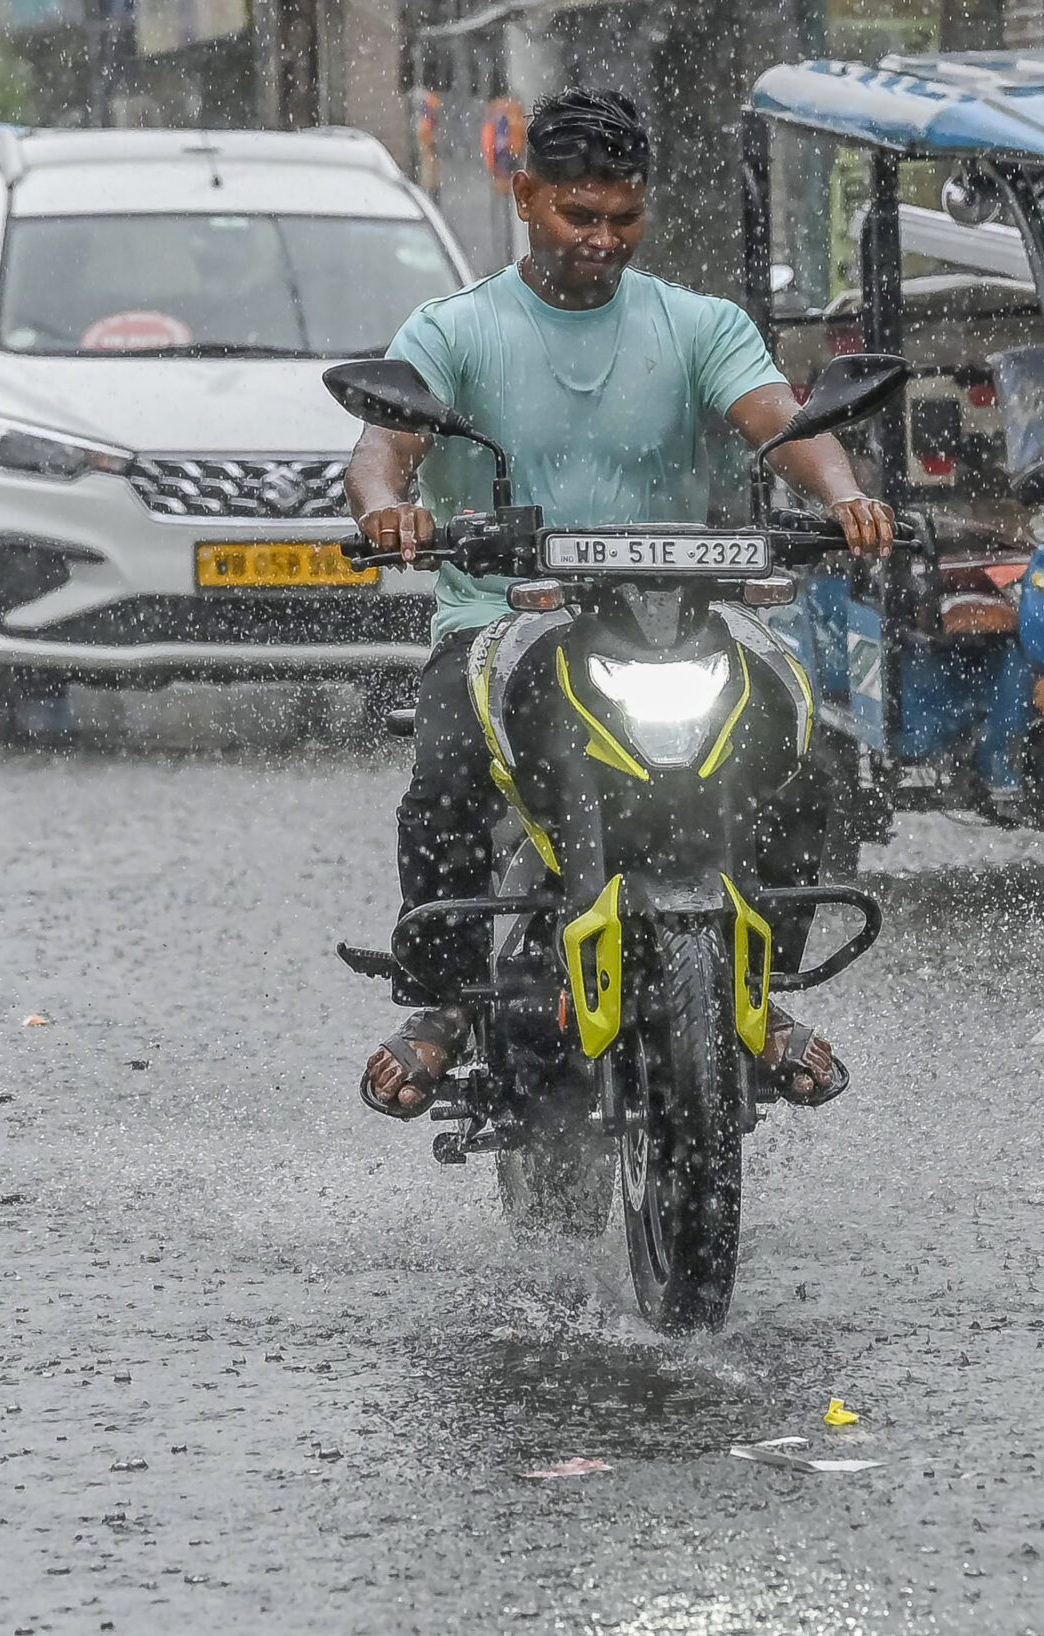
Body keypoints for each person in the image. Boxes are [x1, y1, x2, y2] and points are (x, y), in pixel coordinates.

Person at [351, 89, 895, 1119]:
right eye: (578, 215)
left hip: (678, 617)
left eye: (624, 217)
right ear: (525, 197)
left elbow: (782, 420)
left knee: (805, 759)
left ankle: (755, 986)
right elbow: (382, 449)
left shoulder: (699, 325)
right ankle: (445, 1001)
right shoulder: (454, 329)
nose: (602, 240)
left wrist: (844, 495)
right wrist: (388, 507)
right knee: (448, 771)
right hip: (500, 622)